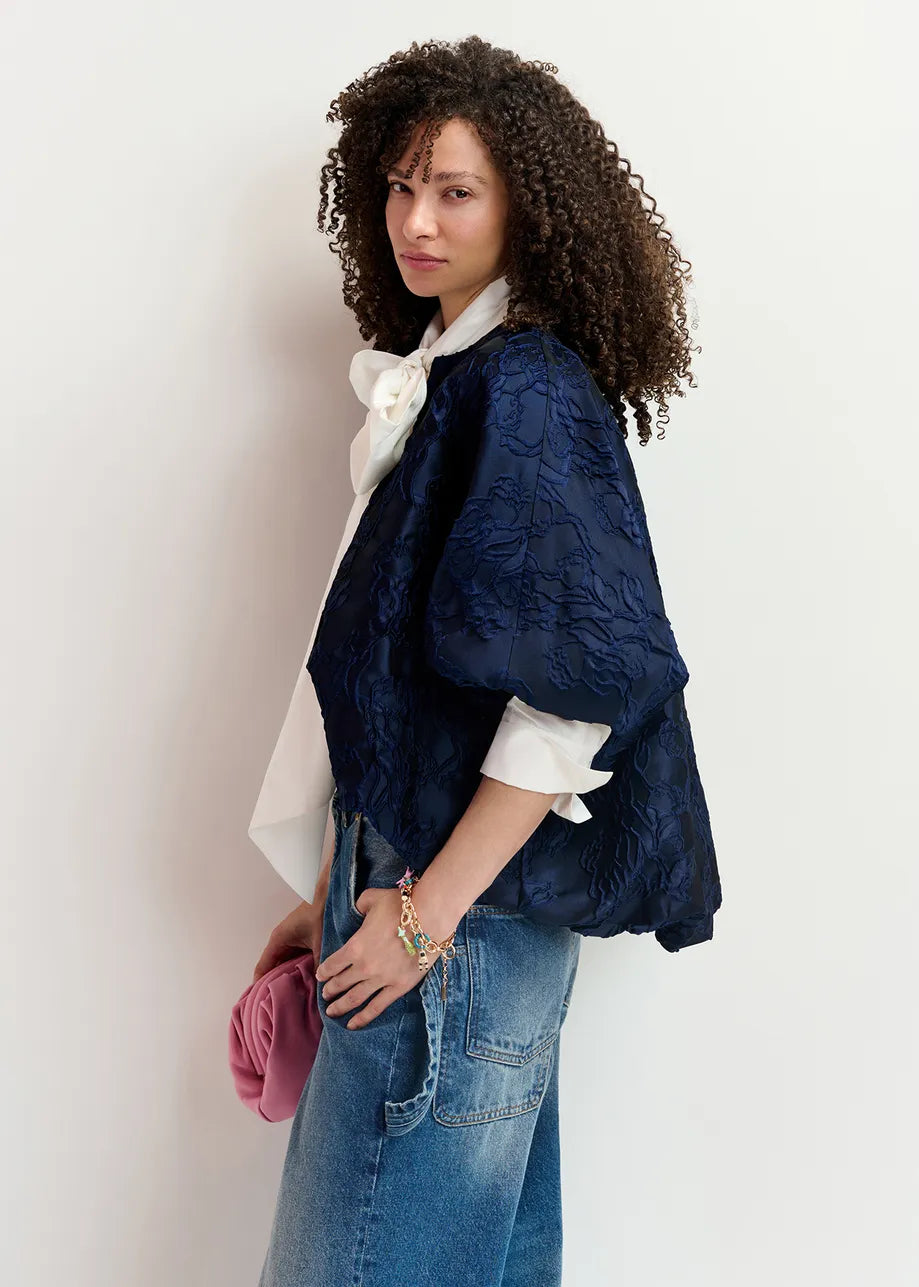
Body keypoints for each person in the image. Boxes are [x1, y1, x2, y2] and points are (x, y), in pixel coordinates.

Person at [250, 36, 722, 1287]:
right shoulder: (456, 377)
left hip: (450, 923)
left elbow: (575, 692)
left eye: (454, 190)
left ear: (525, 207)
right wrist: (332, 883)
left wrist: (421, 910)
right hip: (422, 902)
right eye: (401, 186)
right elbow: (409, 689)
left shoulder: (524, 388)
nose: (416, 219)